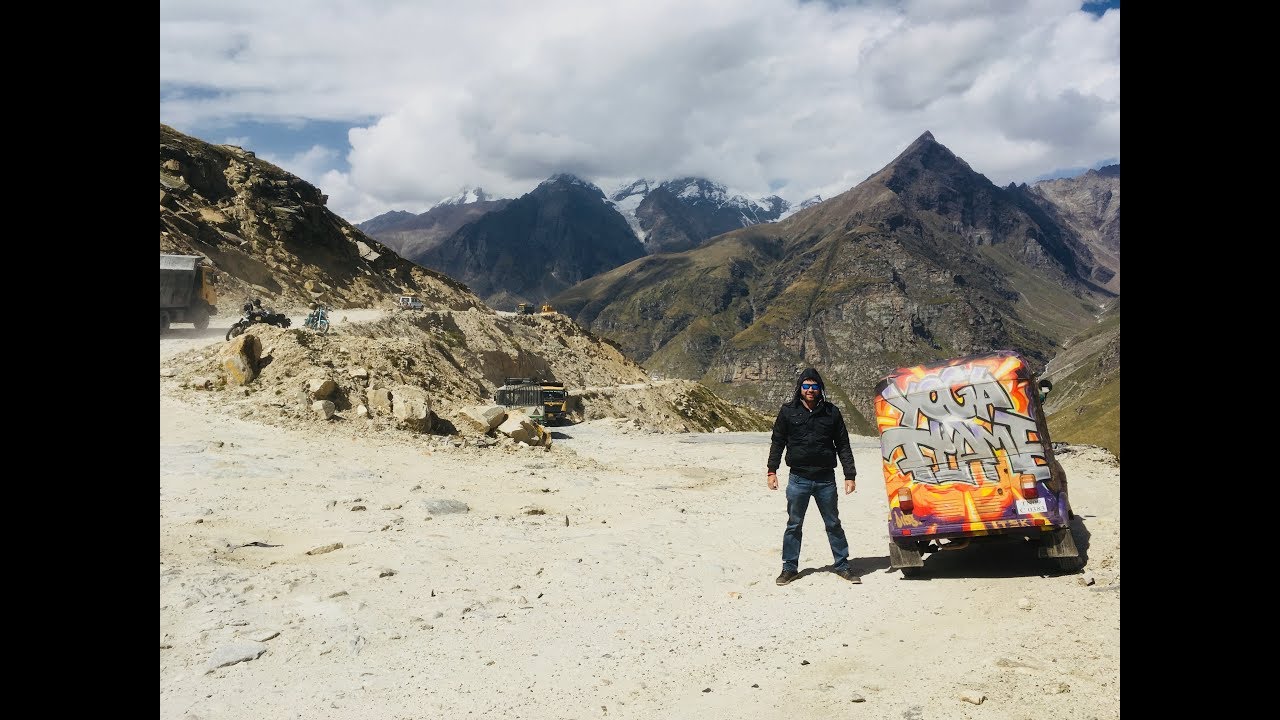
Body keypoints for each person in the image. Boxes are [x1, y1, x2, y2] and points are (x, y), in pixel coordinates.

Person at [766, 367, 860, 586]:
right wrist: (772, 471)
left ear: (820, 388)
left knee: (833, 523)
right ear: (799, 388)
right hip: (798, 478)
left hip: (826, 479)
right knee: (794, 524)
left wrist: (850, 474)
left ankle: (842, 565)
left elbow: (843, 445)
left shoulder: (831, 412)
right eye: (806, 386)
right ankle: (789, 568)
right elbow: (778, 441)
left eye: (814, 386)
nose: (810, 390)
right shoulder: (788, 411)